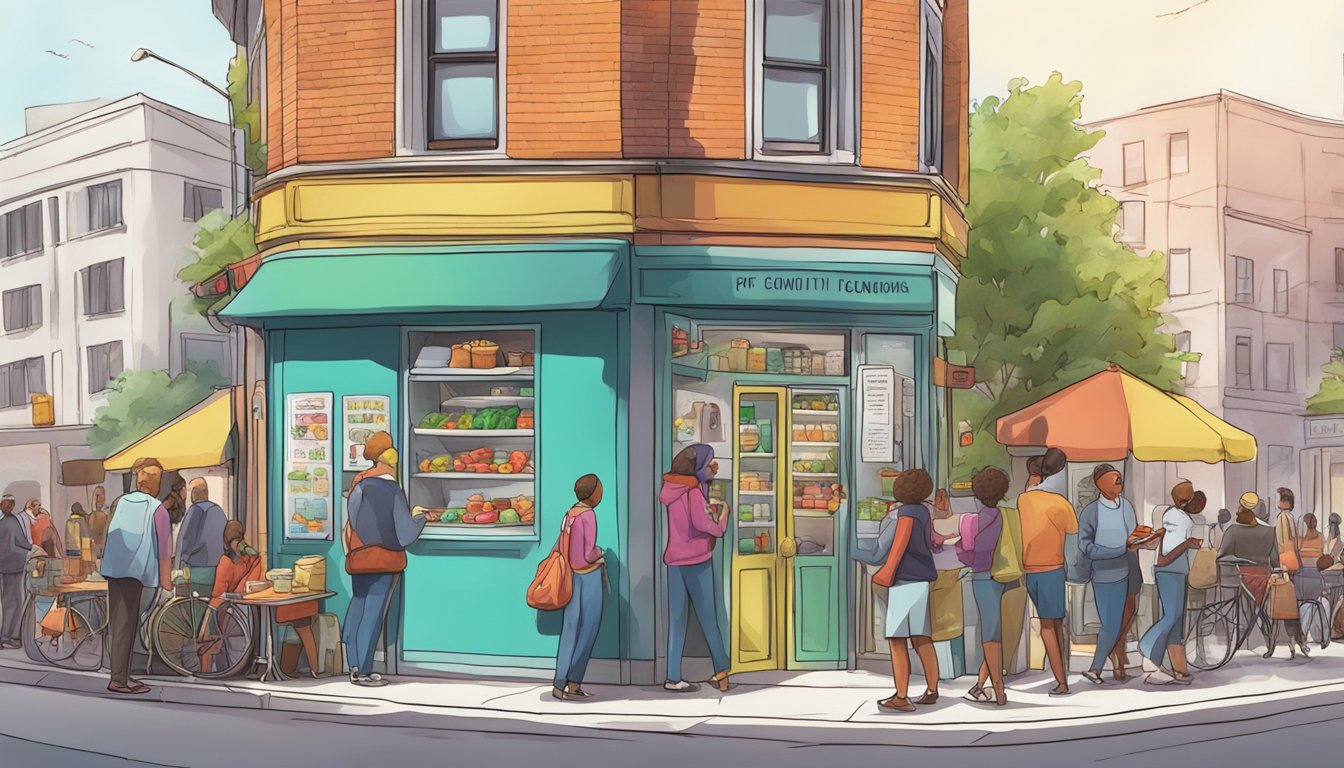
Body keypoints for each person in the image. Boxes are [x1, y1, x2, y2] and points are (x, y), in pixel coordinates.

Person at [342, 432, 425, 687]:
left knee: (357, 606)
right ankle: (364, 672)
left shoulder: (359, 486)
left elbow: (353, 522)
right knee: (373, 614)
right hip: (384, 558)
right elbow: (404, 534)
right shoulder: (391, 489)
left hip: (359, 557)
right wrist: (419, 518)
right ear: (389, 460)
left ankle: (353, 664)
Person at [853, 468, 939, 713]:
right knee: (922, 637)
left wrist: (886, 572)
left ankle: (902, 696)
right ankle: (932, 689)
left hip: (903, 582)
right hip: (921, 580)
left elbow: (900, 543)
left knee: (897, 640)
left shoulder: (907, 513)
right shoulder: (923, 511)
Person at [205, 521, 319, 676]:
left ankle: (277, 664)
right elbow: (219, 594)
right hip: (231, 609)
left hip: (245, 604)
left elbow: (253, 583)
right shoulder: (226, 563)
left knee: (298, 620)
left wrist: (256, 559)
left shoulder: (250, 559)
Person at [660, 445, 730, 694]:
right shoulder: (693, 492)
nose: (713, 467)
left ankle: (673, 677)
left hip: (674, 561)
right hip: (697, 561)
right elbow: (703, 523)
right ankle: (722, 671)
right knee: (709, 619)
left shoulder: (671, 490)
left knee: (677, 621)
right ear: (698, 467)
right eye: (710, 463)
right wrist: (723, 519)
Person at [100, 458, 173, 695]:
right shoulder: (158, 509)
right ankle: (118, 680)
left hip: (115, 572)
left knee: (122, 624)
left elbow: (107, 535)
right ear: (155, 483)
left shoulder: (119, 502)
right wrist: (167, 584)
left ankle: (122, 674)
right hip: (139, 575)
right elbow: (164, 551)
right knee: (127, 624)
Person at [1217, 493, 1308, 658]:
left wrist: (1241, 561)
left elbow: (1222, 556)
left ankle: (1257, 641)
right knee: (1269, 612)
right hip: (1265, 578)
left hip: (1243, 577)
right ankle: (1283, 641)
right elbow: (1274, 562)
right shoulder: (1269, 532)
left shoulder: (1233, 531)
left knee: (1251, 612)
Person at [1016, 447, 1075, 696]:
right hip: (1053, 569)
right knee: (1054, 625)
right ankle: (1062, 680)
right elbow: (1072, 535)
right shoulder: (1061, 504)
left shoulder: (1023, 499)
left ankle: (1061, 677)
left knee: (1046, 625)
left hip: (1029, 570)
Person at [1078, 463, 1139, 685]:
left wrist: (1144, 540)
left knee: (1124, 620)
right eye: (1114, 478)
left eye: (1120, 478)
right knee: (1111, 624)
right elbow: (1086, 546)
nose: (1119, 481)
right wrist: (1117, 550)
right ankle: (1095, 668)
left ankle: (1118, 662)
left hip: (1131, 569)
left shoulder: (1127, 507)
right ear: (1099, 484)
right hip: (1106, 574)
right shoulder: (1090, 512)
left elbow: (1133, 537)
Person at [1140, 485, 1206, 685]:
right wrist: (1188, 544)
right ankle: (1149, 648)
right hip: (1171, 571)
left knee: (1177, 624)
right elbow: (1167, 554)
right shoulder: (1180, 518)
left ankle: (1179, 670)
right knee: (1172, 616)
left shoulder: (1174, 515)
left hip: (1174, 571)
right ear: (1187, 501)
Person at [958, 467, 1011, 706]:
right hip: (1007, 575)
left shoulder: (971, 521)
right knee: (996, 628)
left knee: (990, 635)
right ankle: (980, 685)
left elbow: (967, 553)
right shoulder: (1004, 515)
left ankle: (998, 690)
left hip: (983, 577)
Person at [552, 474, 606, 701]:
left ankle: (558, 684)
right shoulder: (588, 515)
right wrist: (600, 553)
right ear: (593, 494)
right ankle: (574, 685)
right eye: (599, 489)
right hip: (587, 576)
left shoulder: (570, 513)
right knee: (588, 629)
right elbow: (587, 553)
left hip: (569, 577)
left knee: (570, 630)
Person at [177, 479, 228, 599]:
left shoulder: (195, 510)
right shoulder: (218, 510)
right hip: (219, 570)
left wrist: (179, 564)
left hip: (199, 572)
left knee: (197, 609)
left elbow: (185, 540)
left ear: (194, 493)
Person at [0, 495, 28, 649]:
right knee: (14, 602)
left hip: (3, 566)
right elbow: (22, 541)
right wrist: (32, 548)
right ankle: (8, 636)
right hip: (12, 566)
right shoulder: (12, 522)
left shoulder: (3, 522)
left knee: (6, 602)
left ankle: (5, 636)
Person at [64, 502, 94, 581]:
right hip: (80, 548)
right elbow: (86, 535)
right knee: (81, 567)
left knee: (72, 566)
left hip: (69, 548)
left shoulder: (68, 521)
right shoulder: (81, 521)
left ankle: (72, 577)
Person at [89, 485, 110, 559]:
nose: (97, 499)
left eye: (99, 496)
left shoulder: (107, 513)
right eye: (95, 496)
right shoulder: (92, 514)